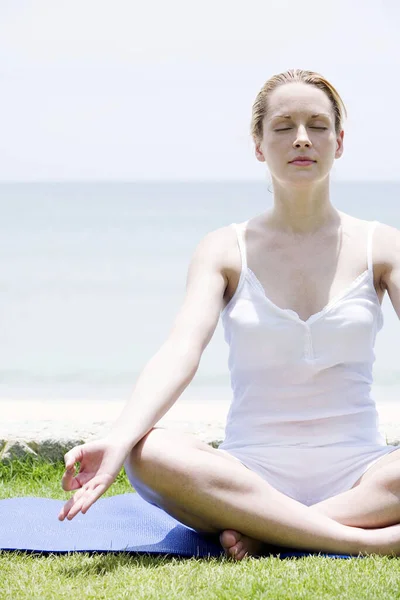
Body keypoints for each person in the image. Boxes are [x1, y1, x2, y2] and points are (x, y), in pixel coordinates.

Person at [58, 68, 400, 560]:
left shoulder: (381, 245)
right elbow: (180, 350)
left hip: (362, 470)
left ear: (339, 142)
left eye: (318, 125)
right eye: (283, 126)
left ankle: (271, 531)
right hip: (248, 474)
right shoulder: (224, 248)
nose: (302, 138)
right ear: (259, 145)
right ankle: (364, 541)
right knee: (146, 453)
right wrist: (117, 437)